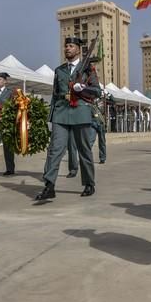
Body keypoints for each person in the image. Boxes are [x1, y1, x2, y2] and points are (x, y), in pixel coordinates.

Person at [36, 36, 101, 200]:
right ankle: (49, 185)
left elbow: (97, 92)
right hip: (61, 112)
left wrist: (83, 88)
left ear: (78, 49)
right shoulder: (59, 70)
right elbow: (55, 94)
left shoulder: (88, 69)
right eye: (66, 46)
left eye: (71, 46)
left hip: (80, 111)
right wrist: (51, 116)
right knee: (55, 149)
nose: (67, 49)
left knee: (84, 150)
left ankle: (89, 183)